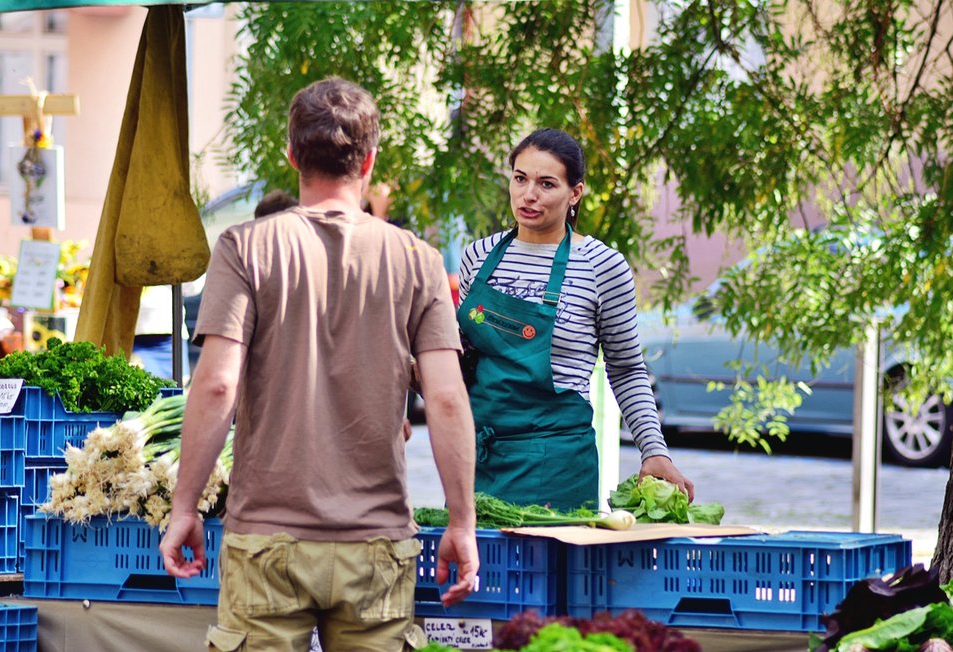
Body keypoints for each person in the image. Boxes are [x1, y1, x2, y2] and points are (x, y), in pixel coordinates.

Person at [159, 77, 479, 652]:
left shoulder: (244, 246)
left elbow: (215, 387)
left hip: (265, 543)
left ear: (291, 155)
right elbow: (449, 399)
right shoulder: (419, 260)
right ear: (370, 160)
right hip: (376, 546)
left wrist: (185, 506)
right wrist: (462, 523)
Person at [457, 128, 694, 511]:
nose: (528, 194)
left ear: (575, 193)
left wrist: (654, 451)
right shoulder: (479, 257)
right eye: (520, 179)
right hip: (478, 457)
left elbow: (627, 368)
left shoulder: (602, 266)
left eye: (546, 183)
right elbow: (465, 360)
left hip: (557, 466)